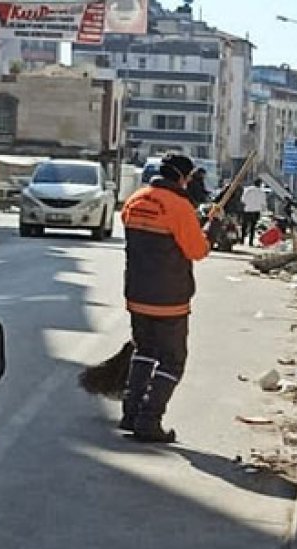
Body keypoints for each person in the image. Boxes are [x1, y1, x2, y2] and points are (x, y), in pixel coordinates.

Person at [120, 154, 212, 443]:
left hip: (137, 293)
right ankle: (149, 420)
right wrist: (210, 228)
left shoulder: (135, 200)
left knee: (144, 351)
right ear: (183, 178)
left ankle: (130, 412)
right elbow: (197, 250)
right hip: (169, 298)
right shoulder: (180, 207)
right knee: (172, 362)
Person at [241, 179, 267, 246]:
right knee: (253, 226)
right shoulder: (262, 192)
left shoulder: (247, 190)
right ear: (260, 184)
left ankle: (242, 240)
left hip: (247, 210)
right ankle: (250, 242)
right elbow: (263, 203)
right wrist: (263, 210)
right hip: (256, 211)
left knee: (244, 226)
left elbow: (243, 200)